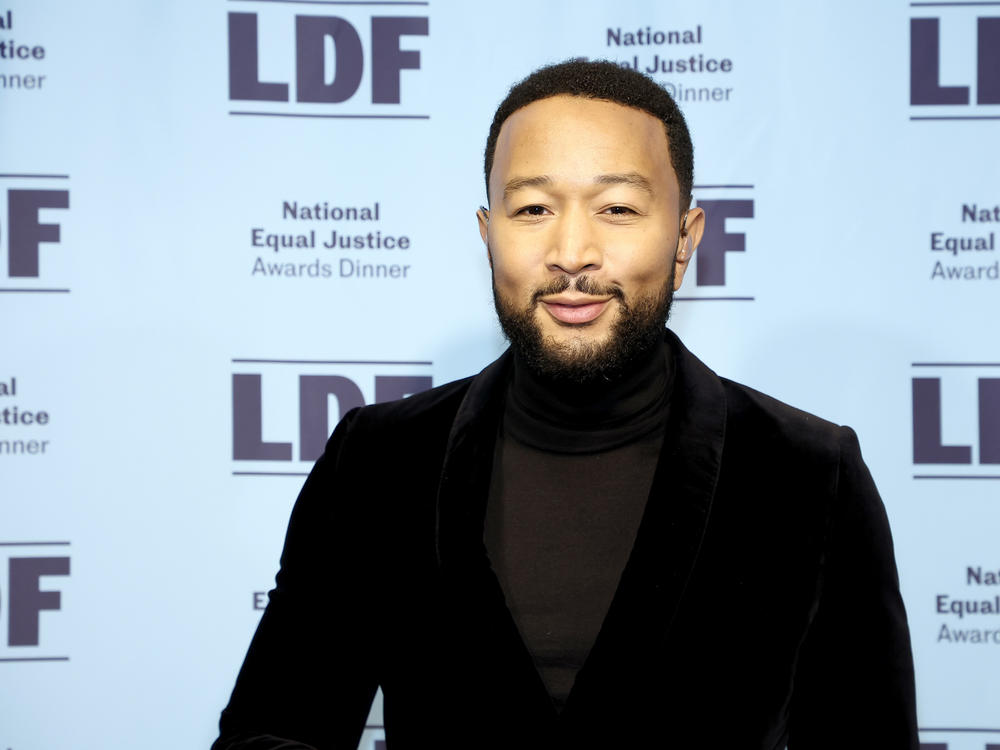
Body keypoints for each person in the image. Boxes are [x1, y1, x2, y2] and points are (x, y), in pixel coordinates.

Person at [213, 59, 918, 749]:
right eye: (533, 208)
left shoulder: (807, 472)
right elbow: (269, 729)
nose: (572, 251)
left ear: (684, 241)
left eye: (617, 208)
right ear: (489, 238)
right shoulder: (377, 460)